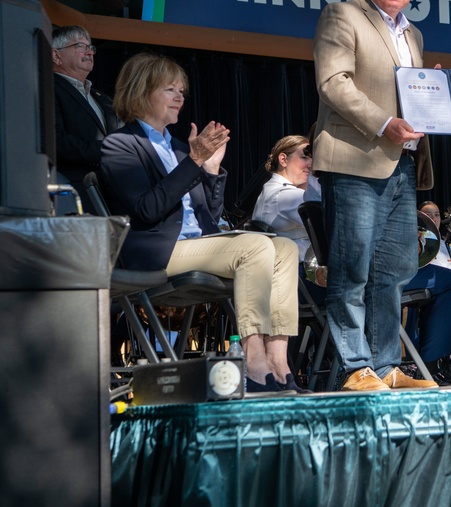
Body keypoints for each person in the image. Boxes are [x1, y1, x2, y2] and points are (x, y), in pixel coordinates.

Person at [100, 52, 304, 393]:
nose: (180, 97)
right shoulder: (120, 145)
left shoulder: (180, 148)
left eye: (182, 90)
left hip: (198, 245)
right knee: (254, 247)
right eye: (170, 89)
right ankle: (253, 363)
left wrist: (209, 169)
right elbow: (147, 210)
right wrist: (194, 161)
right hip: (158, 251)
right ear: (141, 92)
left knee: (283, 246)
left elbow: (208, 216)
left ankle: (279, 365)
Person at [312, 0, 437, 391]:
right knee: (351, 267)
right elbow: (333, 83)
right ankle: (354, 367)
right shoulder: (342, 15)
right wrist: (384, 122)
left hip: (402, 165)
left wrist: (432, 92)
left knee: (393, 272)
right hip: (355, 159)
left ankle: (385, 366)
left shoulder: (413, 35)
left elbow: (407, 94)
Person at [51, 25, 121, 208]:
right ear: (56, 56)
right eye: (80, 46)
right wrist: (108, 150)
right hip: (76, 193)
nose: (89, 52)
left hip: (111, 193)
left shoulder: (102, 98)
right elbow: (56, 142)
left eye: (91, 47)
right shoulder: (49, 88)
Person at [403, 201, 451, 370]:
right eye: (427, 215)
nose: (433, 218)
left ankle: (441, 362)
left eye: (437, 214)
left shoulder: (447, 247)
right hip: (390, 274)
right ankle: (430, 363)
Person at [252, 135, 312, 261]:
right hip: (297, 272)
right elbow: (329, 222)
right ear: (283, 159)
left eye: (312, 159)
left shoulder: (272, 189)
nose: (311, 165)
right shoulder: (284, 195)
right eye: (304, 157)